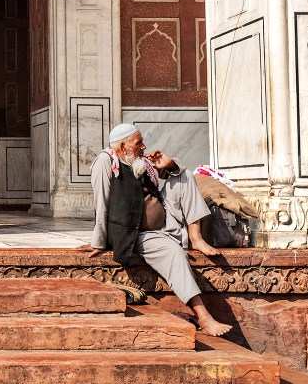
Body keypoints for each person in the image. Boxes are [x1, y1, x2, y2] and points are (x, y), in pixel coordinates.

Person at [89, 122, 232, 336]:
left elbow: (167, 179)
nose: (144, 147)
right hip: (136, 234)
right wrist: (99, 242)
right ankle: (204, 317)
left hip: (167, 223)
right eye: (138, 143)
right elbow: (101, 202)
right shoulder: (106, 162)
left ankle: (196, 237)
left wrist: (168, 165)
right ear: (122, 146)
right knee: (174, 254)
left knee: (183, 174)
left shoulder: (138, 162)